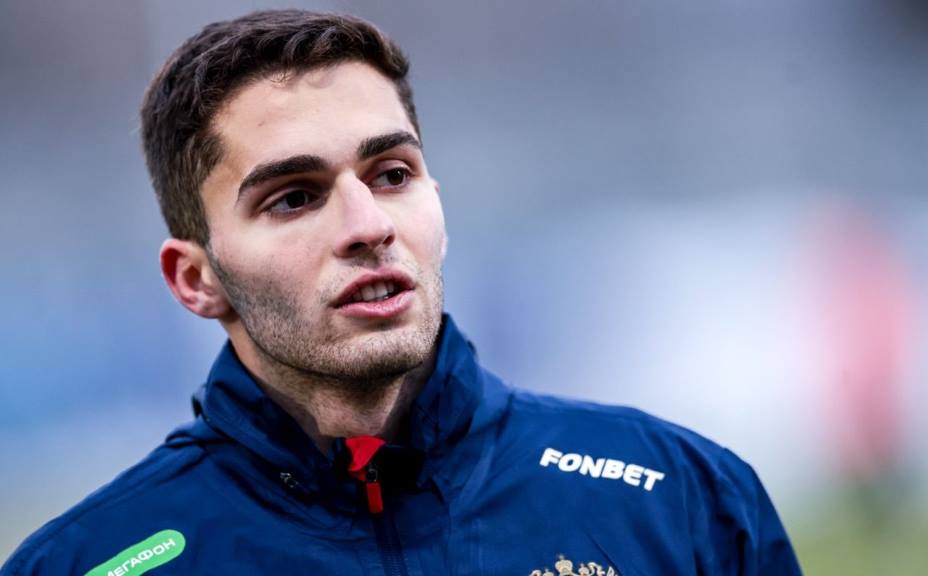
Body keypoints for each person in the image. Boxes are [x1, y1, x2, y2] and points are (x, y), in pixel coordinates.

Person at [1, 10, 801, 575]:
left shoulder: (682, 497)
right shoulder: (83, 563)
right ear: (196, 279)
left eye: (391, 175)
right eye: (294, 198)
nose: (368, 225)